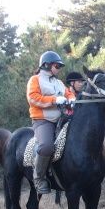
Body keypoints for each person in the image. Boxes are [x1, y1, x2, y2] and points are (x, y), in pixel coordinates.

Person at [27, 51, 75, 194]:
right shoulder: (35, 80)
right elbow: (33, 98)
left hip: (61, 119)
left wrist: (72, 99)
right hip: (43, 120)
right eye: (57, 65)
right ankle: (39, 178)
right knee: (47, 146)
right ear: (46, 65)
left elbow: (68, 93)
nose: (59, 68)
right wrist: (54, 100)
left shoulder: (59, 82)